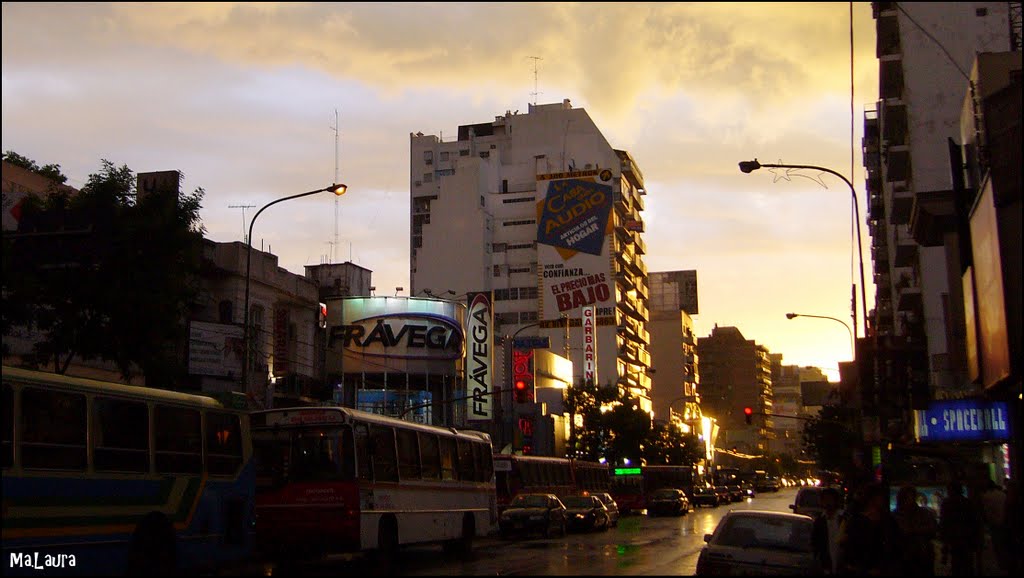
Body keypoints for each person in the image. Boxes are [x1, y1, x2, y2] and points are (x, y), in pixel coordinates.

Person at [837, 483, 902, 576]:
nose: (883, 500)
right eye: (880, 497)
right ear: (872, 499)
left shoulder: (888, 520)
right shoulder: (857, 521)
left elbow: (894, 545)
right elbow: (851, 547)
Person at [939, 481, 982, 576]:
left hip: (954, 538)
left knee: (956, 564)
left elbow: (944, 523)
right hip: (967, 537)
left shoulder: (947, 504)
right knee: (968, 563)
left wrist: (944, 543)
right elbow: (975, 521)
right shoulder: (968, 502)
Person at [894, 485, 938, 575]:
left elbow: (932, 530)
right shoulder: (896, 515)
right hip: (904, 555)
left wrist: (913, 530)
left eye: (910, 497)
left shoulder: (925, 513)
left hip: (921, 553)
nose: (909, 500)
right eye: (906, 498)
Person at [812, 487, 845, 574]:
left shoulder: (844, 519)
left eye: (830, 499)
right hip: (827, 565)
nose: (827, 502)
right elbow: (816, 544)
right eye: (825, 499)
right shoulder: (819, 522)